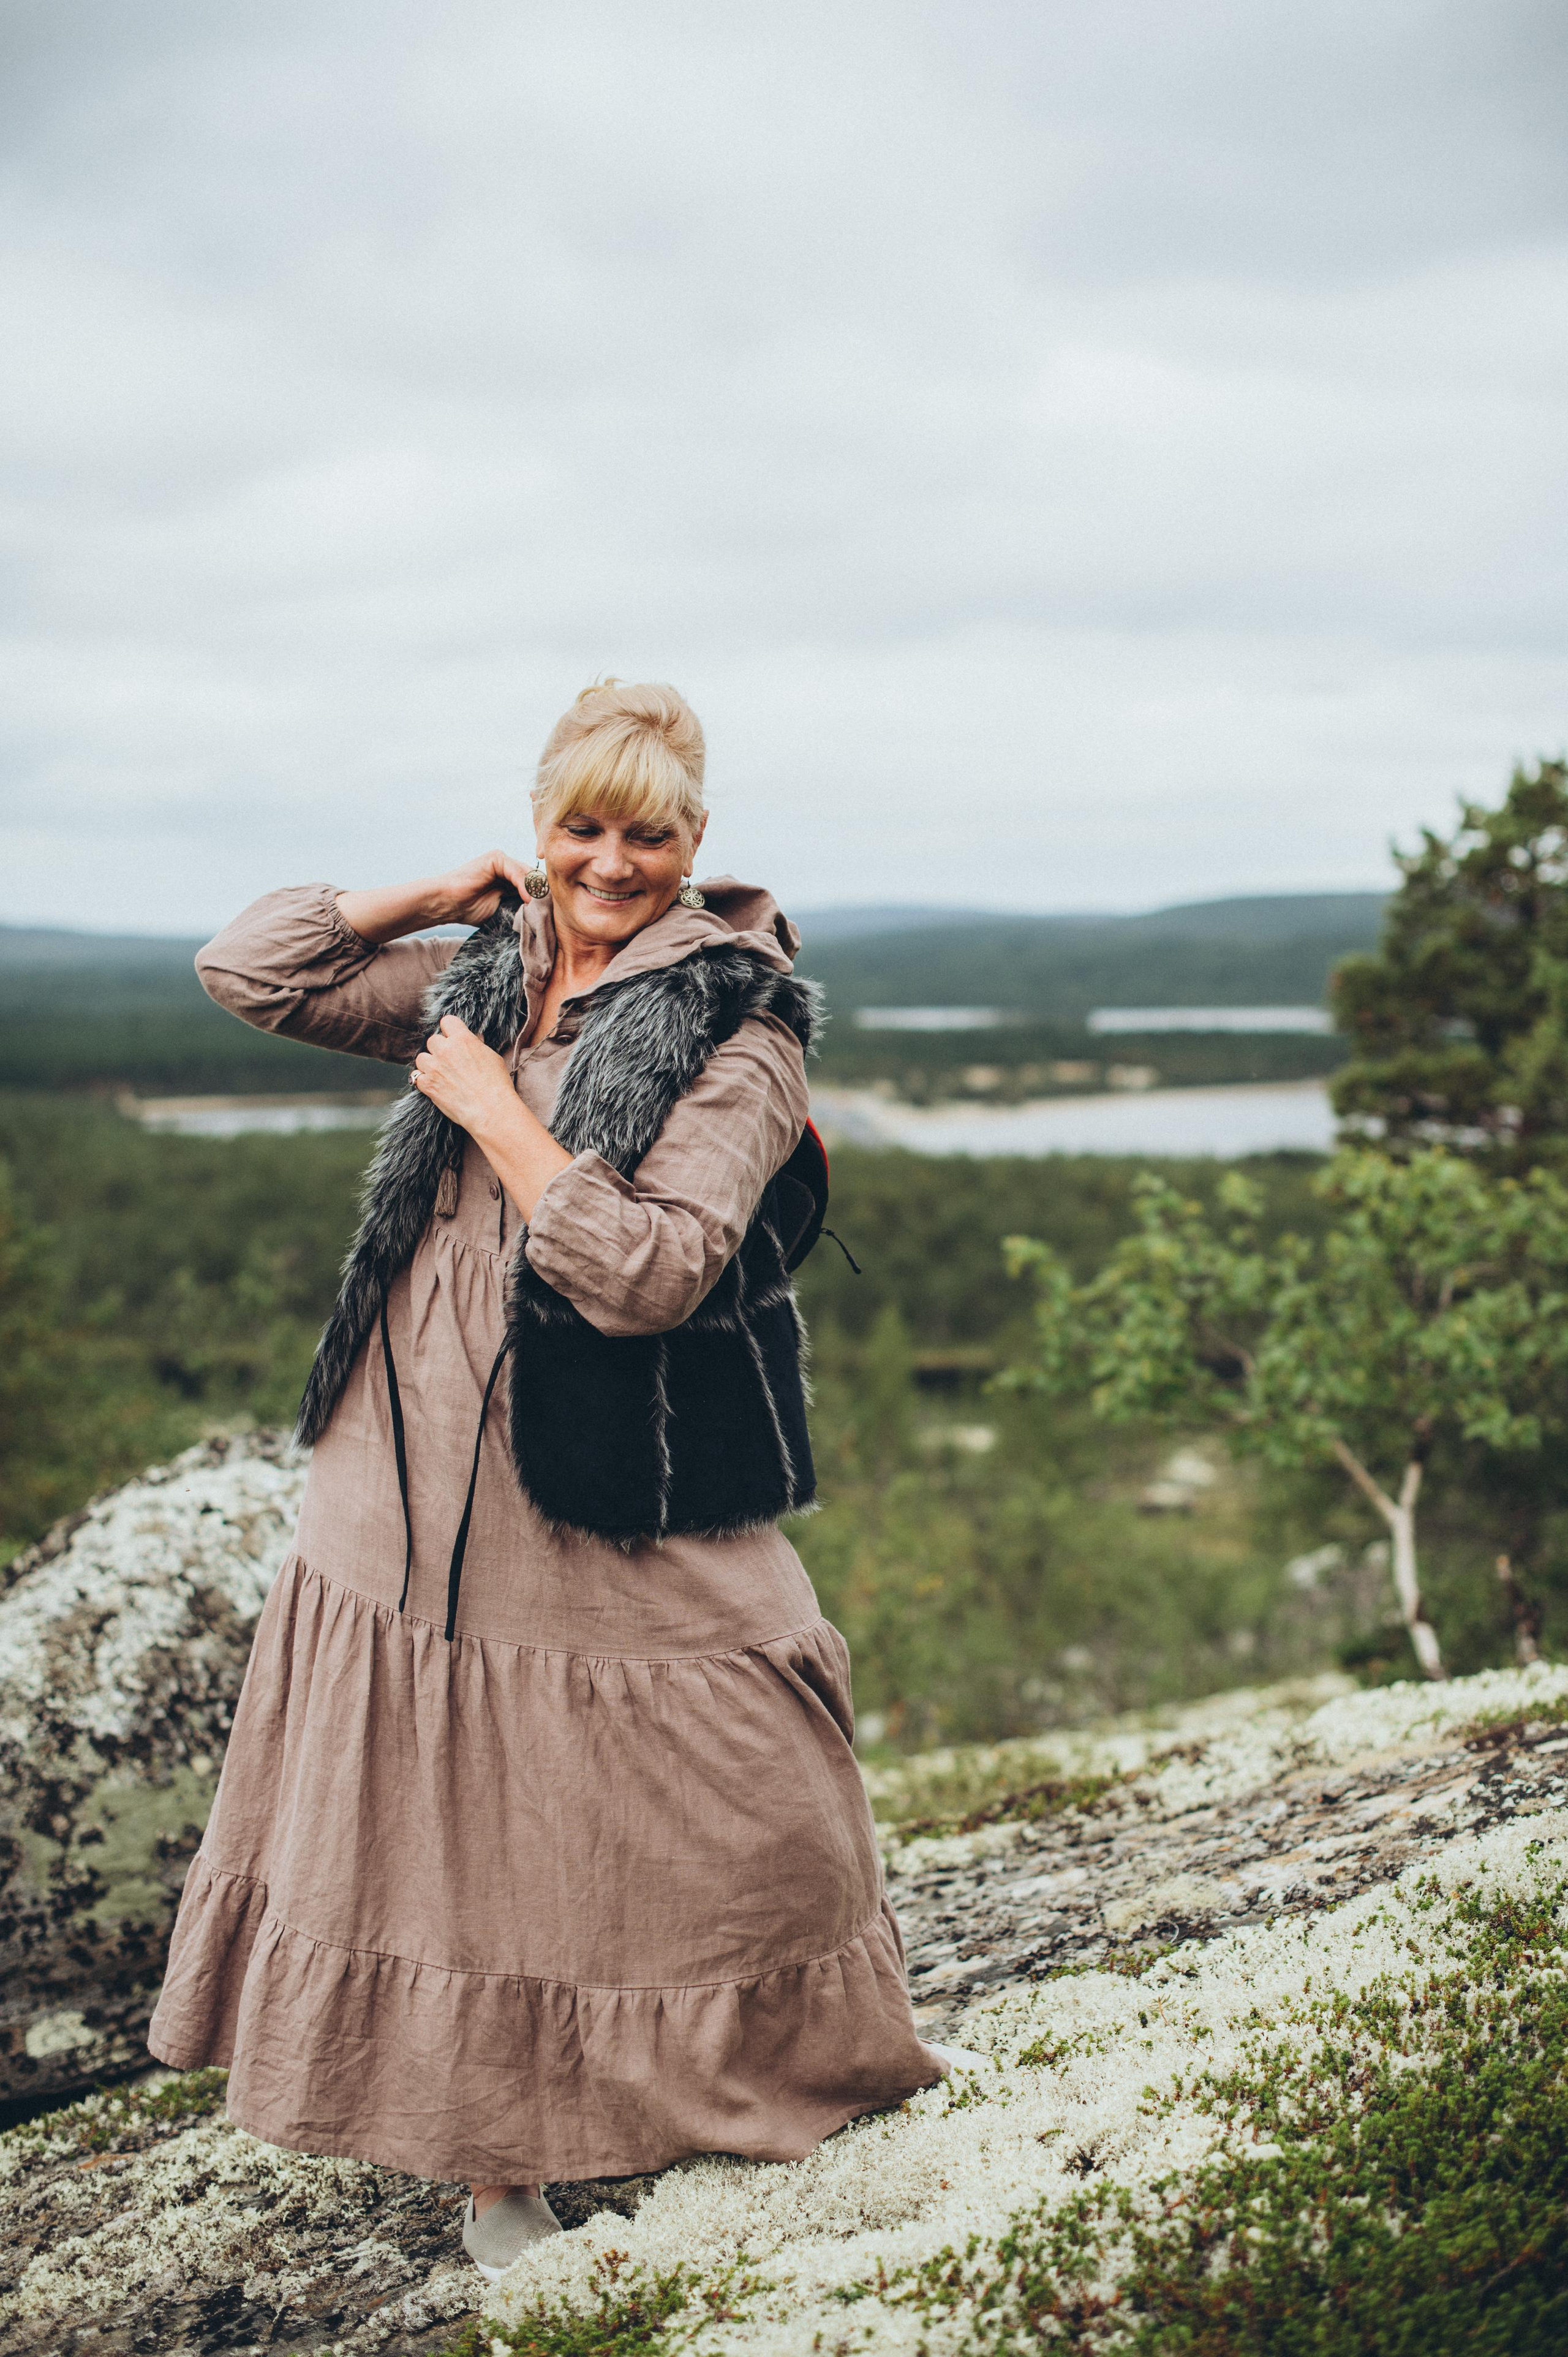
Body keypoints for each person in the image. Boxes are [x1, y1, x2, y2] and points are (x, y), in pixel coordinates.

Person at [148, 679, 954, 2282]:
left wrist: (495, 1110)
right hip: (401, 1452)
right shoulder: (489, 965)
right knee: (455, 1816)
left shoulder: (748, 1022)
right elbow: (248, 968)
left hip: (596, 1450)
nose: (608, 862)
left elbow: (650, 1269)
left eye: (644, 834)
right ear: (540, 828)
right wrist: (444, 894)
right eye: (578, 828)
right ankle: (496, 2164)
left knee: (758, 1750)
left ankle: (778, 2065)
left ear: (695, 841)